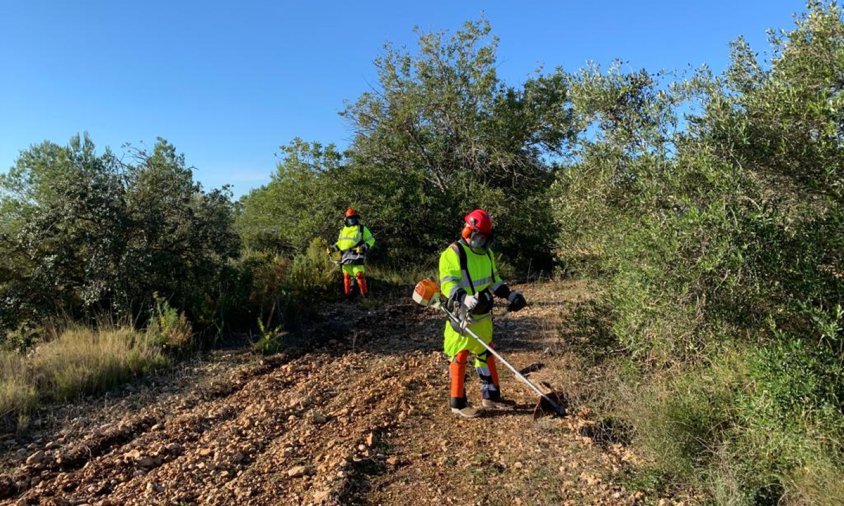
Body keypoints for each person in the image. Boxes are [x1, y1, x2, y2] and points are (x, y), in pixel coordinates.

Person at [439, 209, 527, 418]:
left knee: (486, 352)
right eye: (479, 237)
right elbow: (447, 282)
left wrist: (510, 294)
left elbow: (494, 281)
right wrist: (463, 298)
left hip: (483, 315)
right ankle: (458, 403)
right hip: (462, 315)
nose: (482, 242)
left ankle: (491, 396)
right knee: (459, 355)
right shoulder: (453, 253)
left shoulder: (487, 253)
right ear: (468, 231)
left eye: (486, 238)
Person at [329, 208, 375, 298]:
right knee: (346, 276)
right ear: (346, 219)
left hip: (357, 255)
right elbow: (339, 243)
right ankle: (348, 297)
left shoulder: (362, 229)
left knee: (359, 275)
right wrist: (332, 248)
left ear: (356, 218)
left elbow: (371, 240)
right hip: (345, 256)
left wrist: (363, 247)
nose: (352, 220)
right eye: (350, 218)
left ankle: (365, 296)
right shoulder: (343, 231)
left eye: (353, 218)